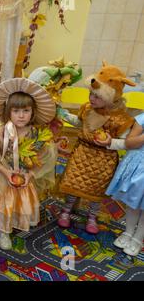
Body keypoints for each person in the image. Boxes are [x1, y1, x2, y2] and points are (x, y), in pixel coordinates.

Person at [0, 78, 57, 249]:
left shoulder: (37, 135)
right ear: (8, 112)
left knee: (12, 205)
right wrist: (6, 172)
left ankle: (4, 231)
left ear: (33, 112)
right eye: (16, 111)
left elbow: (45, 159)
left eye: (26, 111)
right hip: (0, 174)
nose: (21, 116)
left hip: (22, 176)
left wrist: (29, 174)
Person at [57, 62, 136, 234]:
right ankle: (66, 210)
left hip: (104, 159)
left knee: (97, 189)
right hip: (82, 153)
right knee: (74, 181)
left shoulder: (119, 118)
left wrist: (110, 142)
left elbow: (127, 142)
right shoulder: (87, 108)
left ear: (111, 97)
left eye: (97, 96)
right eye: (90, 94)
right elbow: (81, 123)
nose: (92, 99)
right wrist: (64, 115)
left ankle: (92, 216)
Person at [106, 113, 144, 256]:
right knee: (133, 201)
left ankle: (138, 238)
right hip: (139, 167)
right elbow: (129, 142)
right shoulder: (143, 118)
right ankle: (128, 232)